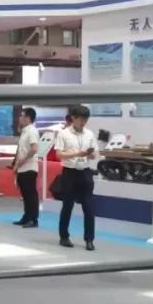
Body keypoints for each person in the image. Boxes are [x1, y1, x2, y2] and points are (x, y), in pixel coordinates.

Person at [53, 105, 99, 251]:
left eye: (86, 120)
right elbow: (59, 154)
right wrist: (77, 154)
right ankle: (64, 237)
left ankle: (89, 239)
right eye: (81, 119)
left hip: (85, 172)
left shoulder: (89, 134)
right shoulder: (63, 134)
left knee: (89, 207)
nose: (83, 122)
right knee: (67, 206)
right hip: (69, 173)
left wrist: (91, 154)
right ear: (73, 118)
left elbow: (95, 154)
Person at [11, 108, 40, 228]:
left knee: (30, 194)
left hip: (29, 167)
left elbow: (34, 148)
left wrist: (23, 161)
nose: (20, 118)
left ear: (28, 118)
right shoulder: (25, 131)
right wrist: (16, 165)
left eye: (22, 116)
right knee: (25, 194)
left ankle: (33, 219)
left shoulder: (32, 131)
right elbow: (21, 150)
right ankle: (27, 216)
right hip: (22, 167)